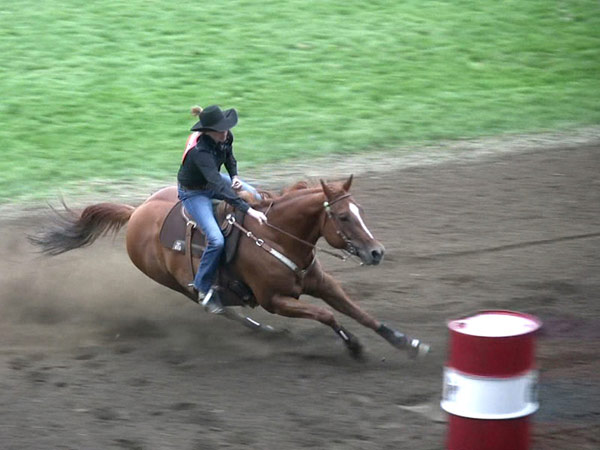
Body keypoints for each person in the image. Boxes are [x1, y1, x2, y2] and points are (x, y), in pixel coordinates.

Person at [177, 105, 267, 313]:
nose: (225, 132)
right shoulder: (200, 152)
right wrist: (247, 210)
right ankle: (202, 287)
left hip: (214, 180)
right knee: (216, 240)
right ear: (208, 132)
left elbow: (229, 158)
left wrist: (235, 176)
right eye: (219, 130)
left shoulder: (225, 137)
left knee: (257, 196)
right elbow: (217, 186)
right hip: (195, 193)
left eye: (225, 128)